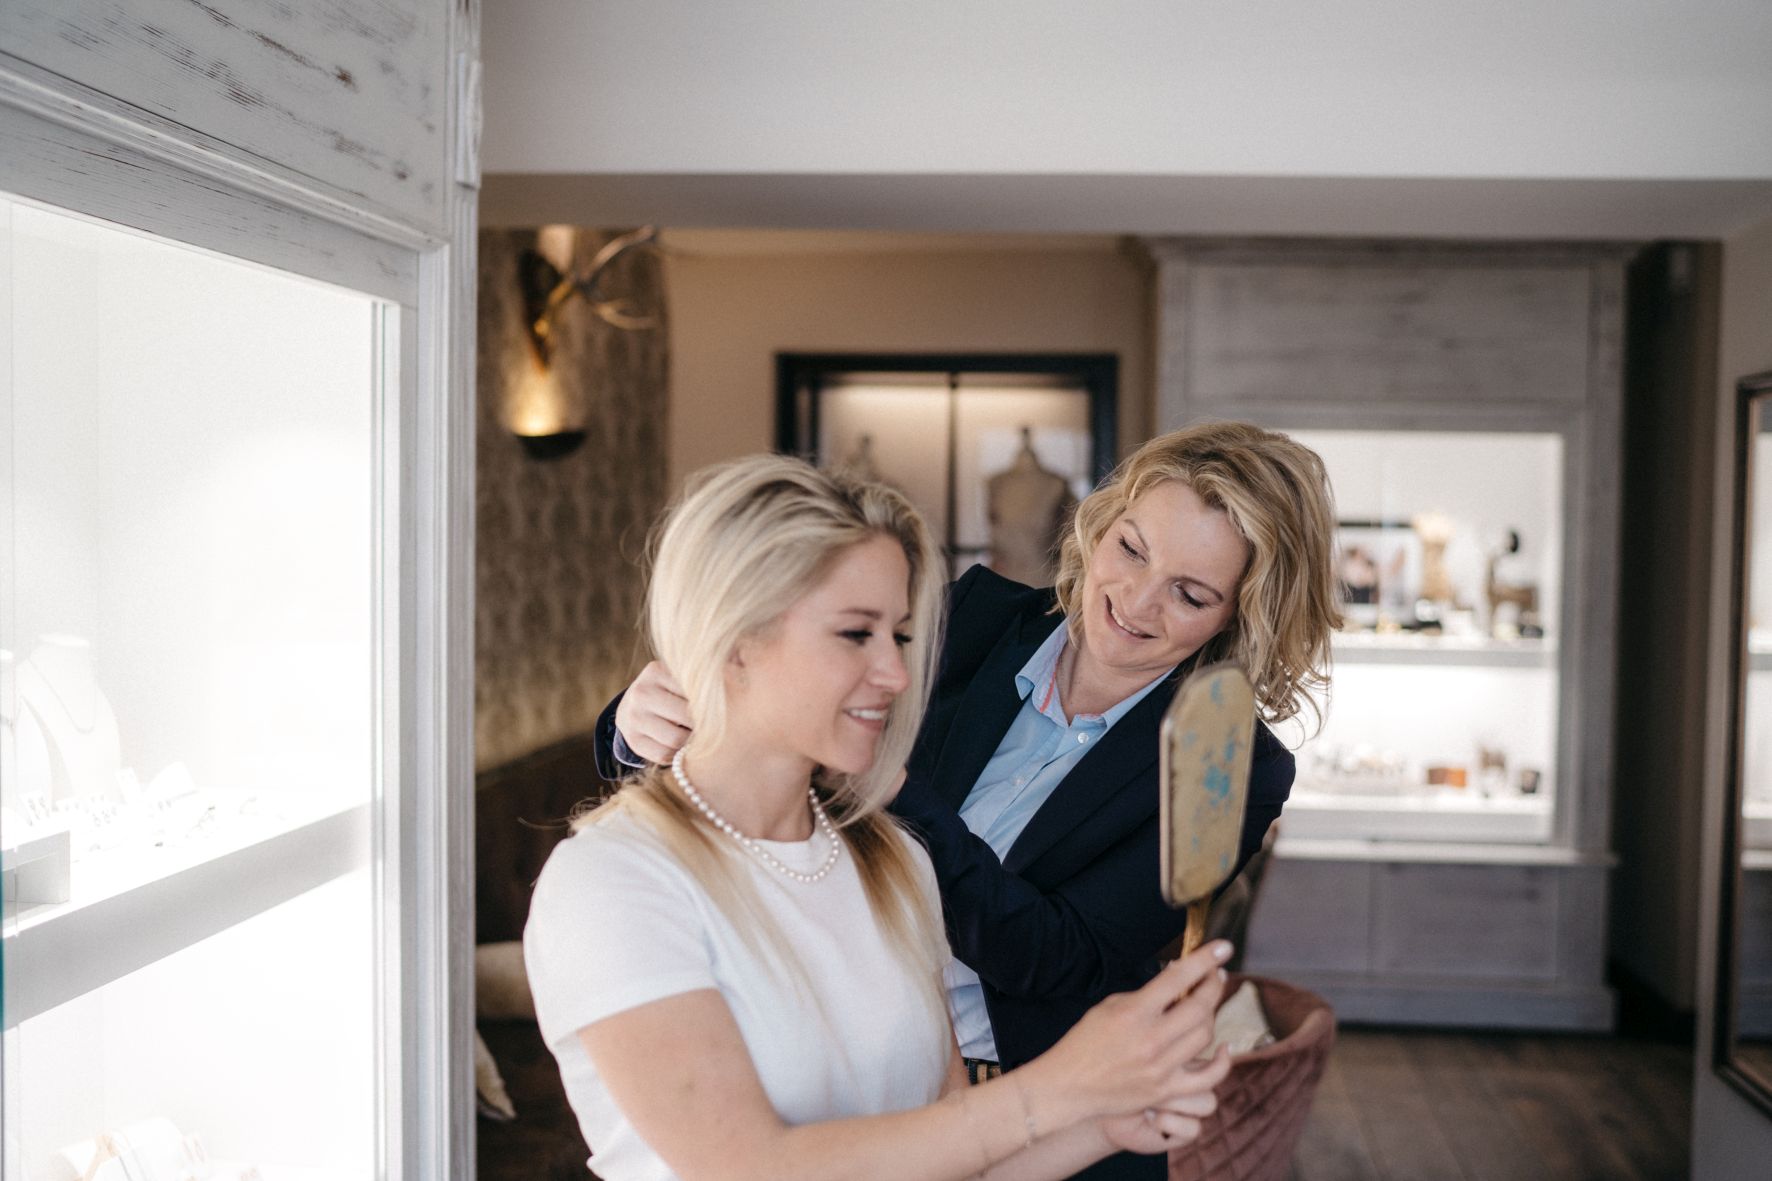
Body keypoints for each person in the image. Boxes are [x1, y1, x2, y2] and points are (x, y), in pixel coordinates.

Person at [597, 423, 1341, 1179]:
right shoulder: (971, 618)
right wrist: (639, 725)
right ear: (1101, 523)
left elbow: (1055, 957)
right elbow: (778, 716)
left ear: (1242, 612)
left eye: (1190, 594)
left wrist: (899, 796)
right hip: (844, 1068)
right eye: (1131, 549)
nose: (1136, 601)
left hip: (1048, 1112)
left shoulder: (1233, 764)